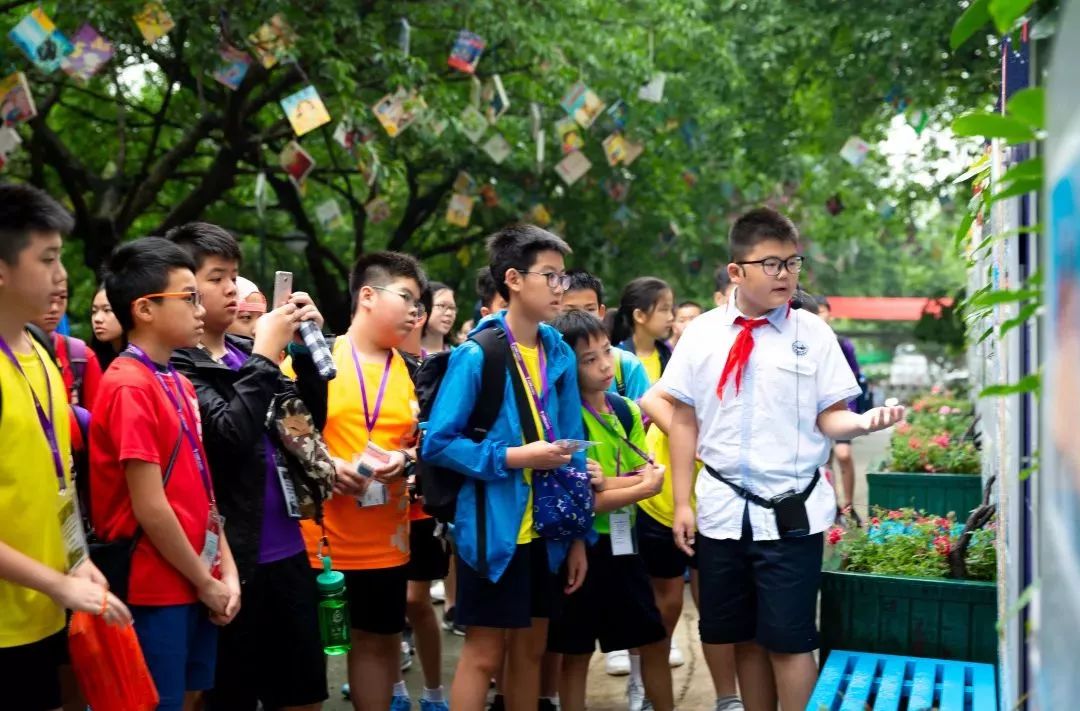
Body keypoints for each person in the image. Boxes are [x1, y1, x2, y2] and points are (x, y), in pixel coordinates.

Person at [665, 208, 903, 711]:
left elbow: (831, 417)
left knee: (791, 641)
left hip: (792, 510)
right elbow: (683, 422)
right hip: (722, 512)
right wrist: (682, 502)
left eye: (793, 263)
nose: (785, 275)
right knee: (745, 638)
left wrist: (861, 423)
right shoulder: (701, 335)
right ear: (736, 271)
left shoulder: (813, 335)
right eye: (771, 264)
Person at [422, 224, 589, 711]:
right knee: (484, 652)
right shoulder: (479, 354)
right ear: (513, 279)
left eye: (564, 277)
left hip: (548, 530)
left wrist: (578, 534)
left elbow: (573, 447)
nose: (561, 288)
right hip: (495, 532)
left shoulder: (556, 349)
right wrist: (516, 457)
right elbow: (438, 443)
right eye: (550, 276)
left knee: (532, 649)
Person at [166, 222, 329, 711]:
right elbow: (228, 436)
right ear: (184, 286)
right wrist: (264, 353)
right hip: (231, 560)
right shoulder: (177, 364)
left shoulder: (242, 352)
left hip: (287, 549)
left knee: (303, 694)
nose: (232, 288)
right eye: (218, 277)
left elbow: (304, 425)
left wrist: (300, 346)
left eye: (234, 276)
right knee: (229, 697)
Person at [90, 237, 242, 711]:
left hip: (196, 575)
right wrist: (206, 580)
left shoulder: (175, 379)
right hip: (155, 583)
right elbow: (150, 505)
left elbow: (202, 487)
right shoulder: (127, 384)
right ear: (145, 308)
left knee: (190, 696)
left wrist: (227, 572)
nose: (202, 308)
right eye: (189, 296)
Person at [0, 183, 131, 711]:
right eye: (47, 259)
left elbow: (58, 481)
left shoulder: (42, 355)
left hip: (47, 611)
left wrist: (75, 564)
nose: (61, 276)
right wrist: (58, 583)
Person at [286, 251, 425, 711]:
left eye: (418, 303)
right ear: (367, 295)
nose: (414, 312)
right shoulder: (315, 358)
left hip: (386, 543)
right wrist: (327, 466)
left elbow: (429, 445)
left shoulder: (415, 373)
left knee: (379, 645)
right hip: (316, 542)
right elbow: (285, 427)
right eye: (406, 297)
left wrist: (404, 459)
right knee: (306, 658)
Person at [547, 310, 672, 711]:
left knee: (652, 639)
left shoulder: (625, 409)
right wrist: (636, 486)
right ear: (566, 364)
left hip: (624, 544)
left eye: (606, 353)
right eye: (589, 359)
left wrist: (611, 484)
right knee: (576, 651)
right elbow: (589, 499)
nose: (604, 365)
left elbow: (648, 474)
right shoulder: (565, 420)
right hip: (580, 548)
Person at [393, 284, 451, 711]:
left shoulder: (442, 366)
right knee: (386, 603)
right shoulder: (373, 362)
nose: (415, 315)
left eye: (420, 308)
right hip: (376, 503)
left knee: (416, 599)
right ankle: (391, 687)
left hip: (421, 506)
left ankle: (433, 692)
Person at [561, 268, 650, 402]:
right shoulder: (548, 364)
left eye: (590, 309)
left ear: (601, 312)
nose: (582, 318)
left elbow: (642, 419)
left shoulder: (627, 366)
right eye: (570, 311)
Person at [817, 297, 864, 526]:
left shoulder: (841, 343)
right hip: (818, 412)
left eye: (823, 311)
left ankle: (848, 505)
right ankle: (833, 506)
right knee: (824, 460)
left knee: (844, 455)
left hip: (843, 408)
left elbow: (854, 379)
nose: (820, 315)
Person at [30, 277, 103, 409]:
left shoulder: (82, 357)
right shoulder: (6, 354)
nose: (54, 308)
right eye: (44, 298)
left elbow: (95, 425)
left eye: (62, 297)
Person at [89, 284, 124, 371]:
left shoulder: (142, 358)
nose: (97, 319)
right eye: (94, 311)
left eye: (107, 310)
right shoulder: (90, 357)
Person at [421, 282, 457, 355]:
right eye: (441, 305)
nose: (449, 313)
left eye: (452, 308)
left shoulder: (458, 356)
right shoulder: (403, 355)